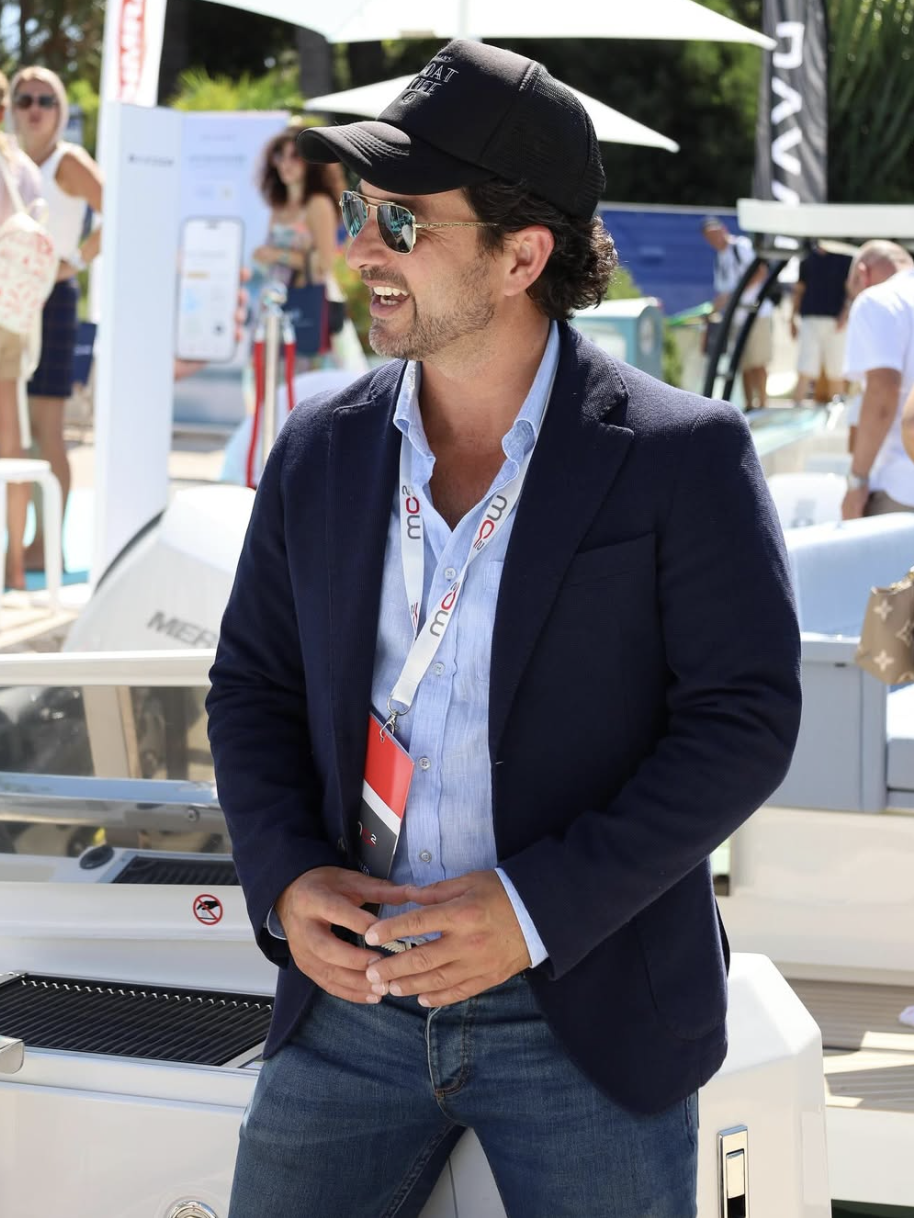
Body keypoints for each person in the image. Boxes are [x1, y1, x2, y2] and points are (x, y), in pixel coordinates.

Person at [207, 40, 801, 1218]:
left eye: (397, 220)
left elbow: (742, 722)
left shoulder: (682, 457)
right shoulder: (318, 449)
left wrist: (530, 911)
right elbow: (251, 690)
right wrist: (284, 883)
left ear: (521, 253)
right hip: (350, 1012)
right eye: (359, 211)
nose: (357, 247)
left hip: (584, 1016)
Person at [9, 66, 103, 574]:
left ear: (60, 106)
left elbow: (120, 209)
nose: (35, 108)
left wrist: (77, 260)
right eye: (24, 98)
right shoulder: (11, 158)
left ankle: (47, 545)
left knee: (47, 430)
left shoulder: (69, 161)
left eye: (45, 98)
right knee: (10, 430)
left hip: (53, 299)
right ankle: (17, 552)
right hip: (12, 303)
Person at [250, 126, 360, 373]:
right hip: (278, 302)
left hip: (309, 299)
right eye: (280, 155)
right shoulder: (279, 207)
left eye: (294, 156)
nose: (286, 164)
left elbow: (324, 263)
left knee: (311, 386)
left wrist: (277, 255)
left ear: (311, 163)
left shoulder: (317, 204)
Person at [0, 70, 43, 590]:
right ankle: (12, 565)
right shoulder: (22, 167)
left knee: (12, 439)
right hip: (12, 313)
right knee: (11, 439)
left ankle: (12, 562)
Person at [841, 240, 914, 519]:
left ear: (862, 274)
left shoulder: (877, 301)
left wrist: (857, 481)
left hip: (902, 488)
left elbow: (882, 393)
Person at [701, 215, 773, 408]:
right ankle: (750, 405)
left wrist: (736, 295)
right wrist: (712, 312)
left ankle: (763, 404)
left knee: (758, 362)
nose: (716, 239)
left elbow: (761, 272)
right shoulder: (720, 259)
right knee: (744, 364)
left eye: (716, 233)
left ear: (723, 230)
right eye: (710, 237)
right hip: (736, 317)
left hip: (756, 313)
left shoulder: (741, 247)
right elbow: (723, 293)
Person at [790, 244, 852, 404]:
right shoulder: (807, 257)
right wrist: (791, 318)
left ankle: (838, 413)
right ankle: (797, 409)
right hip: (810, 318)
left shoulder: (845, 256)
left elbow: (850, 288)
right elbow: (799, 288)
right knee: (805, 368)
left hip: (836, 321)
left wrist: (845, 313)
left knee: (837, 371)